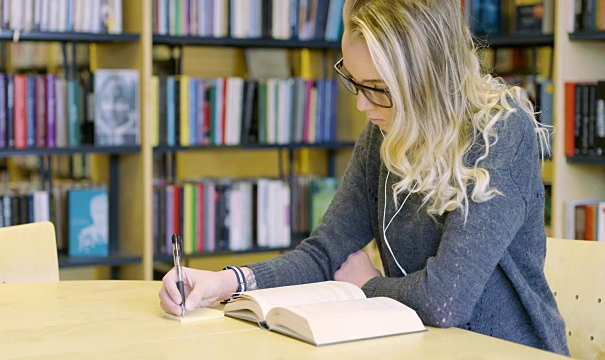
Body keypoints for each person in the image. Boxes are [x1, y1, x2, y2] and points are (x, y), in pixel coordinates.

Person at [159, 0, 569, 355]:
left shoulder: (501, 132)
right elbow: (324, 254)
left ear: (428, 77)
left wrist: (368, 284)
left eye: (376, 87)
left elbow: (445, 302)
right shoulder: (384, 132)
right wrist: (225, 282)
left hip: (506, 351)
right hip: (420, 345)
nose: (360, 103)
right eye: (354, 81)